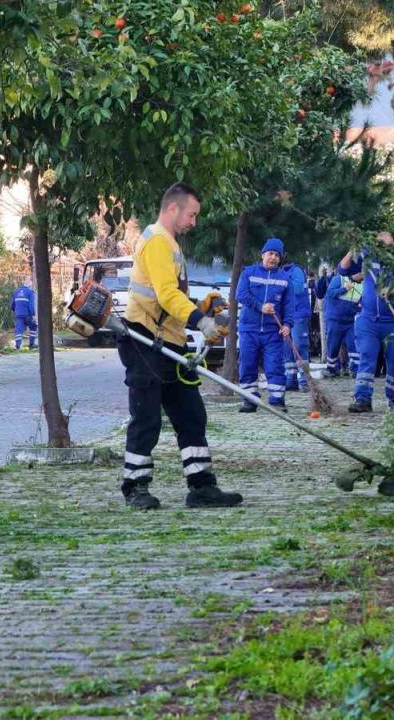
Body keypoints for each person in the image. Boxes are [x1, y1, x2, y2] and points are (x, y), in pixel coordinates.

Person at [117, 182, 243, 510]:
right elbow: (165, 296)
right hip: (144, 341)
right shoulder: (158, 241)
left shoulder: (169, 241)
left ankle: (201, 487)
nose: (194, 222)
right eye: (192, 214)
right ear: (173, 208)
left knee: (190, 415)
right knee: (146, 418)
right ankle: (135, 487)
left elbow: (173, 294)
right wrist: (201, 321)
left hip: (168, 342)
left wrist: (204, 306)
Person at [339, 232, 394, 413]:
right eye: (380, 246)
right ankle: (362, 399)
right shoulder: (368, 257)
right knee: (367, 356)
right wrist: (355, 248)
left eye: (388, 246)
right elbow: (343, 269)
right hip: (368, 320)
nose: (384, 250)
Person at [235, 238, 294, 412]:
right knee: (247, 363)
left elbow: (289, 305)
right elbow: (241, 295)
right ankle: (249, 399)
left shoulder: (285, 278)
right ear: (263, 255)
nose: (273, 258)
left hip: (272, 332)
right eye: (270, 254)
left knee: (274, 365)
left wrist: (288, 324)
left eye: (277, 255)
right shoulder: (249, 273)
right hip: (249, 329)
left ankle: (277, 400)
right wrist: (261, 307)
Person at [281, 260, 312, 392]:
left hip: (299, 314)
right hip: (285, 315)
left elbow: (298, 289)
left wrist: (281, 282)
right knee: (287, 347)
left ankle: (305, 381)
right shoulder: (280, 272)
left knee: (299, 345)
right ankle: (291, 379)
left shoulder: (296, 271)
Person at [321, 272, 360, 377]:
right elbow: (330, 293)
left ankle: (356, 370)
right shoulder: (339, 279)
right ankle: (332, 369)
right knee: (333, 346)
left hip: (350, 321)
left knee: (353, 345)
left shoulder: (363, 285)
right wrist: (345, 289)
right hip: (335, 319)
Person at [9, 277, 38, 350]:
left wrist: (15, 310)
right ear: (30, 283)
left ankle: (18, 346)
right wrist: (33, 315)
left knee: (19, 330)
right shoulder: (30, 292)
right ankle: (31, 345)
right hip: (27, 314)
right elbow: (31, 306)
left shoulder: (16, 291)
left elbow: (12, 304)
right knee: (33, 326)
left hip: (18, 314)